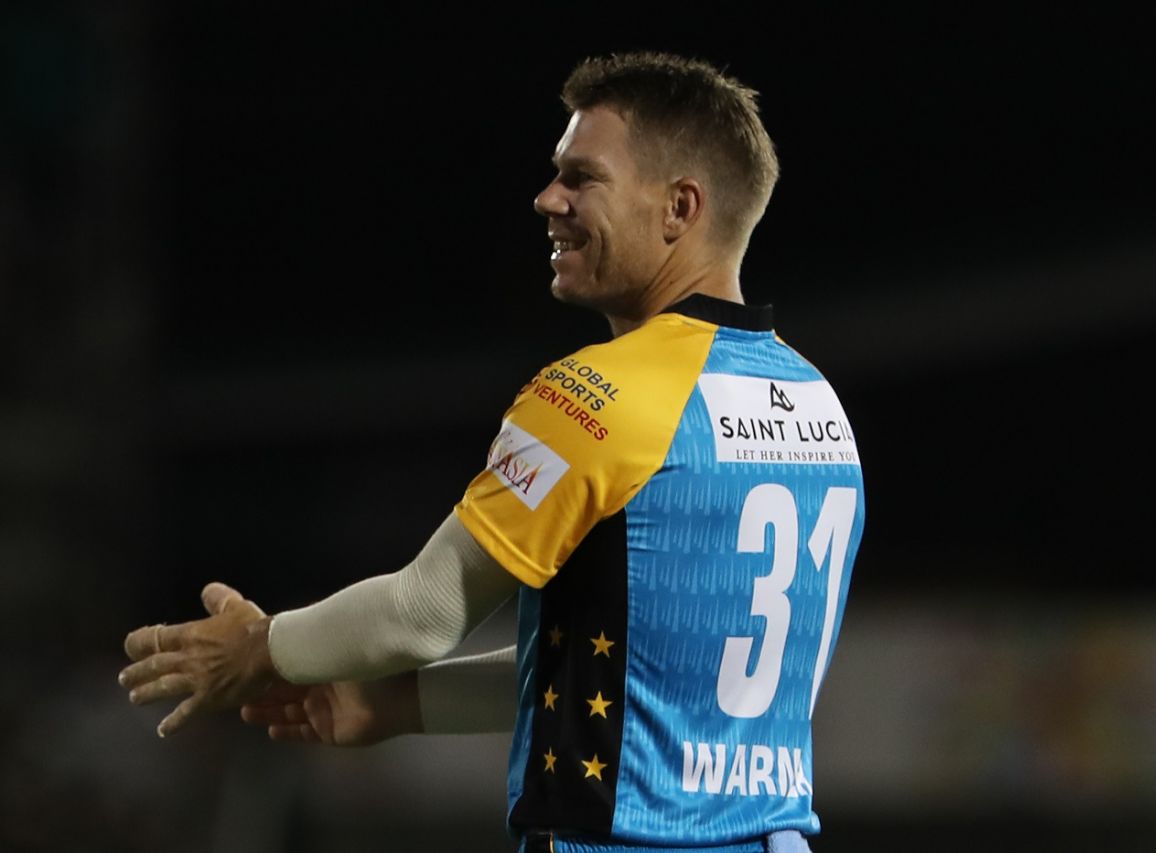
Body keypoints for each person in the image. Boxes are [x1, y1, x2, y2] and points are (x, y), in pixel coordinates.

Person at [119, 51, 866, 853]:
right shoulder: (820, 408)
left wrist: (259, 647)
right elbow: (630, 676)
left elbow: (422, 611)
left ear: (680, 207)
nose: (548, 200)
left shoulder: (596, 396)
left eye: (582, 178)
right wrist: (393, 706)